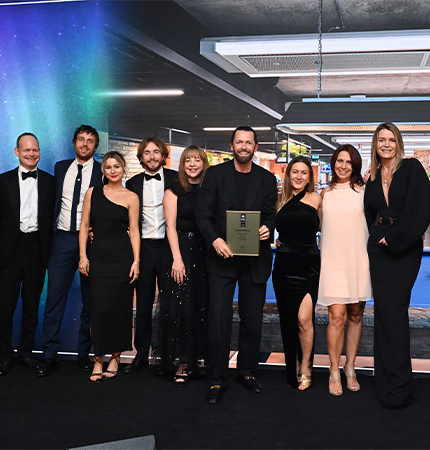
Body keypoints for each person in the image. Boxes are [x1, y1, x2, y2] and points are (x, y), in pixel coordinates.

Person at [195, 126, 278, 404]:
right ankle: (217, 378)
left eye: (249, 142)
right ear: (232, 145)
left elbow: (270, 216)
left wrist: (268, 228)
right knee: (218, 321)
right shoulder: (215, 176)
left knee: (252, 321)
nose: (244, 146)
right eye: (239, 142)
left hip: (254, 261)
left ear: (255, 147)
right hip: (222, 259)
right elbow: (203, 215)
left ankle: (247, 371)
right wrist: (215, 240)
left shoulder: (267, 180)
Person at [364, 122, 430, 409]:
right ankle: (385, 382)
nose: (386, 145)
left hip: (402, 250)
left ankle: (400, 387)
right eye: (381, 140)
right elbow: (371, 213)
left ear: (398, 143)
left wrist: (394, 238)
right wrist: (379, 237)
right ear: (375, 145)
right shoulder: (374, 175)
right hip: (379, 250)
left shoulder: (412, 168)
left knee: (394, 314)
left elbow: (422, 210)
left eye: (391, 140)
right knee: (383, 315)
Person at [37, 125, 103, 377]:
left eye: (90, 141)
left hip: (92, 243)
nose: (85, 144)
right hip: (62, 240)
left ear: (95, 147)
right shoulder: (60, 167)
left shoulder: (101, 171)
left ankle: (84, 355)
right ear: (74, 143)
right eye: (81, 140)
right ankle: (49, 356)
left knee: (90, 301)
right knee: (54, 300)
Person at [79, 151, 140, 381]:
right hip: (98, 259)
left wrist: (136, 261)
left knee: (120, 310)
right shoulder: (92, 193)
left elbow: (134, 231)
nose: (113, 170)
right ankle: (98, 358)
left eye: (117, 166)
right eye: (108, 167)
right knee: (99, 310)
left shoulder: (131, 197)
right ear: (103, 170)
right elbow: (84, 225)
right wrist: (83, 256)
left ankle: (115, 357)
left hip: (122, 260)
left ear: (123, 169)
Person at [318, 145, 372, 396]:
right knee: (336, 317)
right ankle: (333, 369)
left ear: (355, 166)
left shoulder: (364, 192)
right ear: (333, 163)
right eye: (339, 161)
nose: (343, 166)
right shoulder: (324, 194)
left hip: (358, 260)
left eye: (348, 162)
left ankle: (350, 367)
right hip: (333, 262)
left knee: (356, 315)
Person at [0, 133, 55, 376]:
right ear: (16, 152)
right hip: (8, 251)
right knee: (4, 306)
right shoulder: (2, 181)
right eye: (26, 150)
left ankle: (26, 352)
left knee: (32, 305)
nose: (31, 154)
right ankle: (3, 354)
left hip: (37, 248)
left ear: (39, 152)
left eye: (35, 150)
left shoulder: (50, 182)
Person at [156, 146, 209, 385]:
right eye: (188, 160)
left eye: (197, 160)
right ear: (182, 164)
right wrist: (177, 259)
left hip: (204, 254)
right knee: (180, 307)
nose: (193, 164)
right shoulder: (173, 190)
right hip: (180, 253)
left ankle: (195, 361)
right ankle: (179, 364)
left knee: (199, 307)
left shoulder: (209, 190)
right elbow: (170, 227)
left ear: (204, 163)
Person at [124, 137, 177, 374]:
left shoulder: (176, 178)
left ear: (163, 155)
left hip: (169, 247)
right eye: (147, 152)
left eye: (156, 152)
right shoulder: (132, 183)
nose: (152, 156)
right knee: (143, 303)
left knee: (170, 303)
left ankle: (169, 354)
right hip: (143, 249)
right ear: (141, 157)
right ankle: (141, 354)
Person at [272, 156, 321, 390]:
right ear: (288, 175)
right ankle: (291, 367)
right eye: (295, 172)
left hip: (308, 265)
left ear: (309, 176)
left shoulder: (317, 199)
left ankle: (306, 367)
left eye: (304, 172)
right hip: (284, 266)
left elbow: (321, 230)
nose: (299, 176)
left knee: (304, 319)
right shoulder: (278, 200)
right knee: (288, 321)